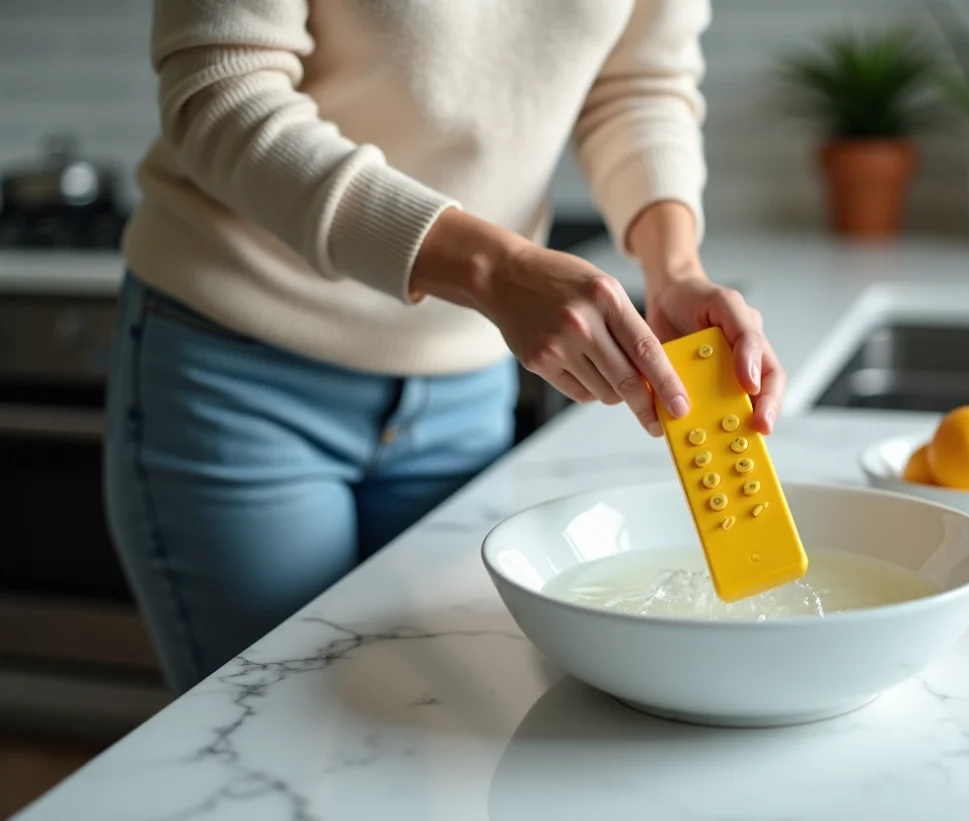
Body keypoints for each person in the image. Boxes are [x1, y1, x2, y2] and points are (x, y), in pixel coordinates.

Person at [105, 0, 786, 696]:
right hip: (243, 365)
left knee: (435, 736)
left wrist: (673, 269)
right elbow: (221, 92)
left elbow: (639, 84)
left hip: (466, 381)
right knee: (266, 741)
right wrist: (493, 270)